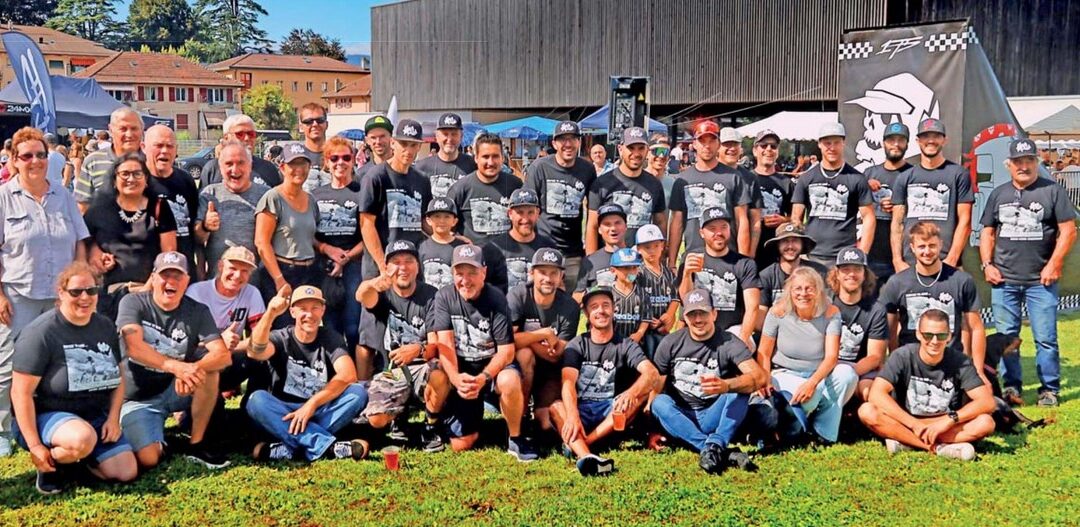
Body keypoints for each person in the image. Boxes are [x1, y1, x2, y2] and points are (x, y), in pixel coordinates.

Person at [0, 128, 91, 456]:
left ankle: (52, 419)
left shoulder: (63, 195)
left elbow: (80, 241)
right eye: (27, 156)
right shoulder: (3, 197)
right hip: (17, 296)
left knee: (58, 364)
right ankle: (3, 430)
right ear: (14, 160)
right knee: (7, 365)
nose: (35, 161)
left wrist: (80, 286)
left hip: (59, 300)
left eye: (40, 155)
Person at [10, 262, 138, 494]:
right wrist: (35, 445)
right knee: (81, 438)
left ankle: (76, 464)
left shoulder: (105, 326)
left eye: (91, 291)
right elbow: (21, 393)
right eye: (75, 292)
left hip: (94, 416)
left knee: (125, 471)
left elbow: (119, 377)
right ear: (61, 293)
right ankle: (49, 465)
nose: (84, 298)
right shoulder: (41, 332)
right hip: (47, 416)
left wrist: (113, 418)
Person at [980, 137, 1077, 407]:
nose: (1024, 166)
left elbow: (1068, 230)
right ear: (1009, 165)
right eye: (1018, 162)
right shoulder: (998, 194)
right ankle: (1012, 388)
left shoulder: (1052, 191)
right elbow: (987, 232)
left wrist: (1054, 264)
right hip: (1004, 281)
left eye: (1029, 161)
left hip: (1040, 282)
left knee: (1045, 338)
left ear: (1037, 163)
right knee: (1007, 338)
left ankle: (1049, 389)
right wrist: (987, 265)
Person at [117, 252, 231, 469]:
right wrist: (176, 367)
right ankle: (166, 442)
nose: (171, 282)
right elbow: (134, 347)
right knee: (148, 458)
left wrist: (192, 368)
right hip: (138, 396)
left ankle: (196, 444)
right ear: (153, 278)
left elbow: (222, 355)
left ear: (187, 280)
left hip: (176, 387)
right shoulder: (133, 303)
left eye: (177, 276)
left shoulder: (197, 310)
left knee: (209, 371)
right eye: (164, 275)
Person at [426, 244, 537, 460]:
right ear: (452, 273)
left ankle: (515, 437)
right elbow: (445, 345)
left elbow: (506, 351)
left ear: (484, 272)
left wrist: (484, 377)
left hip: (491, 366)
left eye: (472, 273)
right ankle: (442, 420)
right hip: (463, 368)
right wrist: (457, 379)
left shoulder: (496, 298)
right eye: (459, 273)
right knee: (461, 444)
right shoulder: (444, 297)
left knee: (510, 380)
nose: (465, 280)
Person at [245, 285, 369, 462]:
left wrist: (311, 404)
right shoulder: (280, 337)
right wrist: (271, 313)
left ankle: (292, 447)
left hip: (319, 409)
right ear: (292, 312)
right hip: (284, 411)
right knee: (256, 400)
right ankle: (325, 446)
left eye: (315, 308)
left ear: (323, 310)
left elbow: (348, 375)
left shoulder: (330, 337)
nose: (309, 315)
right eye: (302, 309)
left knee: (357, 393)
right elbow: (254, 352)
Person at [651, 288, 767, 474]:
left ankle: (715, 443)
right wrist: (652, 430)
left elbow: (760, 377)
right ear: (685, 318)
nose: (698, 319)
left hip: (714, 412)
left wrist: (726, 385)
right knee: (659, 403)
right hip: (682, 415)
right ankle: (717, 449)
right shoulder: (670, 343)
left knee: (740, 390)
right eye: (692, 314)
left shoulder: (729, 342)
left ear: (714, 313)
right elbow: (655, 388)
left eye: (703, 313)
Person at [857, 309, 996, 461]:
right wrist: (913, 424)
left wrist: (950, 420)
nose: (934, 341)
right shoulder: (902, 356)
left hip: (943, 422)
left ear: (949, 336)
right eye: (928, 335)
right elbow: (876, 394)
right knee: (867, 411)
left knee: (986, 422)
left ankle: (906, 442)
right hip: (906, 420)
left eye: (941, 335)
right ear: (918, 334)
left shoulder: (960, 361)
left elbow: (987, 402)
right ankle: (937, 448)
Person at [550, 286, 658, 477]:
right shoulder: (577, 344)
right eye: (594, 306)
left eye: (606, 305)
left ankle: (582, 443)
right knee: (556, 407)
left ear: (614, 309)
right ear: (586, 313)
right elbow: (568, 383)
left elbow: (652, 373)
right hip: (583, 409)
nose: (601, 310)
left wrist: (631, 392)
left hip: (611, 411)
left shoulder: (625, 344)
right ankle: (587, 457)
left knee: (640, 396)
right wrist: (573, 416)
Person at [356, 240, 447, 451]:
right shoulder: (382, 294)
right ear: (387, 267)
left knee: (440, 373)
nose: (403, 268)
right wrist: (371, 283)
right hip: (393, 371)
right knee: (377, 419)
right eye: (396, 262)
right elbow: (362, 296)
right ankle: (398, 417)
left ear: (417, 266)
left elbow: (436, 344)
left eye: (408, 261)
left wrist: (418, 349)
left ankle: (430, 425)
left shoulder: (432, 295)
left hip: (424, 365)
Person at [757, 267, 857, 444]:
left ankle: (822, 433)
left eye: (809, 288)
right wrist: (764, 379)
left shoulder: (830, 312)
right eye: (798, 289)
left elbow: (832, 357)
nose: (803, 293)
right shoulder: (778, 312)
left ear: (818, 290)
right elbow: (764, 352)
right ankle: (792, 426)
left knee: (847, 375)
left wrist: (812, 381)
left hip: (817, 373)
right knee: (813, 394)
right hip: (785, 373)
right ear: (790, 291)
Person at [879, 221, 986, 376]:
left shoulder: (961, 280)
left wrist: (979, 370)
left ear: (940, 245)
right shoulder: (897, 282)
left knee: (987, 400)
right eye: (922, 246)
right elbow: (889, 328)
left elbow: (976, 328)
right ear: (912, 248)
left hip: (950, 361)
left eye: (932, 246)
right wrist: (892, 361)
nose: (927, 251)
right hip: (910, 361)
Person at [84, 153, 178, 316]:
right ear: (114, 180)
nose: (131, 179)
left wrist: (148, 288)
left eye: (137, 173)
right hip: (106, 294)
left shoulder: (159, 208)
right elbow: (83, 240)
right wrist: (96, 254)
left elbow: (168, 255)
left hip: (147, 293)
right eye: (124, 174)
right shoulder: (99, 209)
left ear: (146, 179)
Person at [506, 248, 580, 433]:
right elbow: (507, 341)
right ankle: (520, 421)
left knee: (546, 425)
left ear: (561, 275)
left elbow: (556, 354)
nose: (548, 278)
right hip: (519, 367)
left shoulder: (569, 306)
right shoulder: (518, 295)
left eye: (554, 273)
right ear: (532, 272)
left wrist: (525, 337)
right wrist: (543, 334)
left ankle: (538, 411)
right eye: (543, 272)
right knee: (524, 354)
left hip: (550, 370)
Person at [668, 121, 753, 270]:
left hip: (728, 259)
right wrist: (671, 263)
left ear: (718, 143)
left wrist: (743, 262)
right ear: (694, 144)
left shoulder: (733, 177)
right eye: (702, 141)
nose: (707, 146)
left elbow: (742, 221)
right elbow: (677, 222)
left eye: (712, 140)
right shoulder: (682, 180)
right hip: (693, 258)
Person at [524, 120, 597, 291]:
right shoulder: (539, 167)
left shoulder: (587, 169)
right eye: (563, 139)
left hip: (573, 251)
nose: (568, 144)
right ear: (554, 143)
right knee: (542, 302)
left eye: (573, 139)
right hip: (543, 248)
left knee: (569, 303)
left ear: (579, 142)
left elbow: (592, 209)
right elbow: (528, 209)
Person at [890, 119, 973, 270]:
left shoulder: (959, 174)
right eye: (925, 136)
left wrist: (952, 259)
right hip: (910, 264)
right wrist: (897, 261)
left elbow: (965, 220)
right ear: (917, 140)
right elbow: (897, 223)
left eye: (936, 136)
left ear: (945, 140)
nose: (931, 141)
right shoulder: (904, 177)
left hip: (947, 262)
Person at [185, 246, 266, 400]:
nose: (237, 276)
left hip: (231, 356)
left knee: (263, 354)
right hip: (199, 361)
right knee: (214, 421)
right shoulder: (197, 292)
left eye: (244, 271)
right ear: (221, 266)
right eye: (233, 268)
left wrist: (233, 347)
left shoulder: (252, 293)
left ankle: (252, 407)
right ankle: (188, 403)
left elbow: (260, 339)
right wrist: (219, 343)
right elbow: (184, 342)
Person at [790, 123, 875, 267]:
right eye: (827, 143)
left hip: (845, 255)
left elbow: (869, 217)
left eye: (836, 142)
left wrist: (862, 253)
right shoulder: (806, 178)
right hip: (811, 255)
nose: (832, 147)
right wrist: (799, 251)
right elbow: (795, 217)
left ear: (843, 143)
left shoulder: (857, 178)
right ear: (819, 145)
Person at [358, 119, 432, 280]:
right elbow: (366, 224)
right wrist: (382, 265)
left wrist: (450, 236)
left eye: (413, 145)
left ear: (420, 146)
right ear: (393, 143)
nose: (408, 150)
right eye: (403, 144)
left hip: (411, 266)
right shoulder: (375, 177)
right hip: (381, 266)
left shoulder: (422, 179)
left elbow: (424, 221)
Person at [678, 207, 760, 350]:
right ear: (701, 233)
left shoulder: (744, 263)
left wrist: (743, 338)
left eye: (723, 227)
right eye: (712, 228)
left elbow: (752, 308)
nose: (719, 233)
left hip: (732, 331)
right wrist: (686, 274)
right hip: (699, 328)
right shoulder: (691, 258)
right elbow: (686, 299)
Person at [312, 137, 365, 349]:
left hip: (354, 265)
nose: (340, 162)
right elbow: (308, 233)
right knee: (330, 327)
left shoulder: (362, 192)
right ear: (326, 162)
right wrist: (326, 249)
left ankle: (357, 375)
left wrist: (346, 258)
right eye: (334, 158)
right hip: (324, 267)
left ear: (354, 160)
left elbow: (369, 234)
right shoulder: (315, 195)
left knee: (353, 327)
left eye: (346, 157)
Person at [256, 145, 320, 318]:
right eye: (293, 164)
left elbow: (307, 236)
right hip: (282, 270)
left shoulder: (311, 200)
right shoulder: (273, 198)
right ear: (283, 167)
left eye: (303, 164)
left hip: (308, 272)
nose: (299, 170)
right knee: (281, 329)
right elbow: (261, 242)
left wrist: (326, 248)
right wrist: (279, 279)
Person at [195, 141, 271, 274]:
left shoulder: (266, 196)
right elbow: (197, 238)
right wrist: (205, 226)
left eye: (241, 163)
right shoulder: (209, 194)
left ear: (250, 165)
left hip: (256, 284)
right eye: (229, 164)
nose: (235, 170)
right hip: (218, 281)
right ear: (220, 167)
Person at [587, 127, 667, 251]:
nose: (636, 153)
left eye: (641, 148)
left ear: (647, 151)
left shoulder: (654, 184)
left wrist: (660, 255)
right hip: (610, 259)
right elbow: (592, 226)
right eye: (631, 148)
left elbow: (660, 222)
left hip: (643, 258)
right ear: (620, 149)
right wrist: (592, 260)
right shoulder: (602, 183)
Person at [828, 247, 888, 401]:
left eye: (857, 269)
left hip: (860, 368)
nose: (851, 274)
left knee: (869, 393)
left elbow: (875, 357)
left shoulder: (876, 309)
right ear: (837, 274)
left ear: (865, 274)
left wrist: (848, 373)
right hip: (827, 364)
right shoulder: (825, 304)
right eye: (846, 270)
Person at [858, 122, 912, 286]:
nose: (895, 144)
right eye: (891, 140)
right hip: (874, 246)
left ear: (907, 144)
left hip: (903, 247)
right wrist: (865, 185)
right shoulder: (870, 173)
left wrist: (899, 207)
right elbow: (856, 207)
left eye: (900, 140)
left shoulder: (913, 174)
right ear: (883, 143)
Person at [446, 133, 522, 247]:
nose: (490, 163)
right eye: (485, 157)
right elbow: (445, 226)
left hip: (509, 257)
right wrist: (456, 238)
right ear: (476, 158)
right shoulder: (460, 189)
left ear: (502, 158)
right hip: (474, 260)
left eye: (495, 156)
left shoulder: (515, 185)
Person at [144, 125, 199, 276]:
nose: (164, 151)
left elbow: (194, 223)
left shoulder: (186, 180)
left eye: (170, 146)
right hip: (150, 272)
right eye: (158, 145)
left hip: (184, 268)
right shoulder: (137, 182)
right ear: (143, 147)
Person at [483, 188, 556, 292]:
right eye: (520, 213)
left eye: (530, 212)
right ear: (510, 214)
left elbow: (558, 285)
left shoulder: (549, 248)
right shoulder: (493, 249)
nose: (525, 219)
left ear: (538, 213)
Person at [756, 223, 826, 330]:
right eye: (785, 241)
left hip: (812, 330)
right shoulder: (766, 276)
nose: (790, 246)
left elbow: (828, 309)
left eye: (795, 241)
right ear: (777, 245)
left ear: (802, 244)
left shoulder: (818, 272)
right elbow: (760, 322)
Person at [74, 107, 145, 213]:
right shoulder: (94, 161)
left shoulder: (151, 162)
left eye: (134, 128)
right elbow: (82, 207)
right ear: (111, 130)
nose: (129, 134)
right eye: (123, 129)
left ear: (142, 130)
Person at [200, 114, 283, 188]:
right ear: (226, 138)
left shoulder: (269, 169)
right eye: (240, 134)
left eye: (251, 134)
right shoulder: (212, 169)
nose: (247, 138)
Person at [750, 130, 794, 269]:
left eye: (773, 146)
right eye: (764, 145)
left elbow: (797, 218)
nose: (769, 149)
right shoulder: (744, 179)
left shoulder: (786, 183)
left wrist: (783, 220)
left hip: (777, 250)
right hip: (750, 247)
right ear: (755, 150)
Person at [635, 224, 679, 358]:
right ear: (639, 249)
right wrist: (647, 318)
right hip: (642, 327)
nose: (652, 251)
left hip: (663, 325)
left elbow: (675, 297)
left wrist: (669, 314)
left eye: (655, 246)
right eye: (647, 247)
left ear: (662, 246)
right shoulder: (638, 272)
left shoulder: (668, 272)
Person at [718, 127, 763, 260]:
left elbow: (755, 221)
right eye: (727, 144)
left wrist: (750, 255)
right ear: (718, 147)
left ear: (741, 149)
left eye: (735, 144)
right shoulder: (708, 174)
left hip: (738, 250)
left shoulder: (750, 178)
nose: (731, 148)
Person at [415, 112, 478, 199]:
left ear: (461, 136)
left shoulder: (473, 166)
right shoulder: (421, 168)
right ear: (436, 136)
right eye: (445, 134)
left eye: (454, 134)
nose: (449, 139)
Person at [573, 203, 629, 300]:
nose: (613, 228)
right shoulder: (589, 261)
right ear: (599, 230)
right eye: (607, 224)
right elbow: (577, 296)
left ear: (626, 226)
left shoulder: (636, 257)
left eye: (617, 223)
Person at [418, 198, 466, 290]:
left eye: (447, 216)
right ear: (428, 220)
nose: (442, 221)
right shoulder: (422, 247)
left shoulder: (462, 247)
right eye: (437, 216)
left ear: (454, 221)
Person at [608, 247, 649, 343]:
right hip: (612, 342)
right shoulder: (608, 293)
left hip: (635, 343)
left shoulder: (642, 293)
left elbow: (646, 317)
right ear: (613, 270)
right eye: (626, 268)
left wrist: (639, 333)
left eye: (634, 267)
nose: (631, 272)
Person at [293, 103, 331, 192]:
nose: (314, 124)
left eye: (320, 120)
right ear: (301, 127)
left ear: (326, 124)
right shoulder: (294, 157)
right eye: (308, 121)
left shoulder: (339, 156)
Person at [355, 116, 394, 184]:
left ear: (391, 138)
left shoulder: (404, 171)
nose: (378, 142)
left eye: (382, 136)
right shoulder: (361, 175)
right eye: (373, 137)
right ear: (367, 141)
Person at [644, 135, 676, 207]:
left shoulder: (673, 184)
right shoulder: (636, 181)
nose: (661, 156)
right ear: (647, 153)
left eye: (665, 152)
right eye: (656, 151)